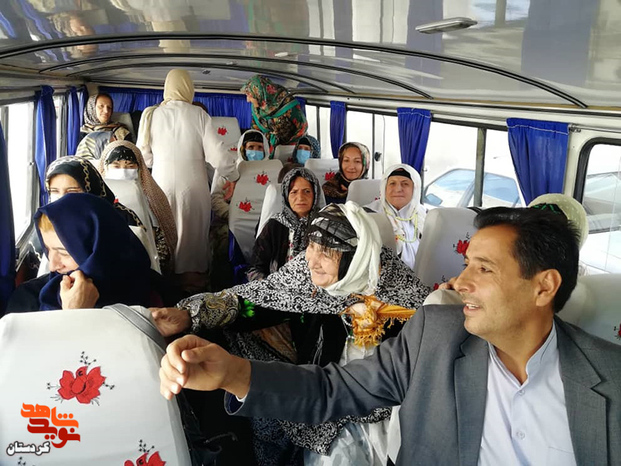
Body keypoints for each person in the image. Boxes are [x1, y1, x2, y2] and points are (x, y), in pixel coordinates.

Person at [160, 206, 621, 465]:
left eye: (483, 269)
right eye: (465, 265)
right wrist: (229, 368)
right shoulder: (437, 336)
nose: (458, 283)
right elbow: (329, 383)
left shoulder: (611, 382)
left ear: (544, 286)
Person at [152, 202, 431, 464]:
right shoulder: (307, 279)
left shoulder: (408, 301)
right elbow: (258, 301)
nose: (311, 260)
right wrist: (192, 314)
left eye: (326, 252)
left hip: (384, 408)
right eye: (311, 246)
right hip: (316, 393)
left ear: (357, 256)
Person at [136, 69, 238, 291]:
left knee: (164, 237)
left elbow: (145, 158)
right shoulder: (198, 115)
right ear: (189, 89)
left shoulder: (152, 114)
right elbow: (218, 157)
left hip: (160, 187)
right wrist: (234, 176)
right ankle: (192, 290)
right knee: (192, 242)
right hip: (194, 188)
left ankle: (166, 289)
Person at [5, 194, 153, 313]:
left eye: (64, 253)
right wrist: (73, 314)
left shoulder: (153, 296)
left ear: (100, 250)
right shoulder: (27, 300)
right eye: (47, 249)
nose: (52, 266)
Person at [44, 156, 158, 271]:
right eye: (54, 191)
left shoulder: (121, 221)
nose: (62, 198)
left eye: (72, 191)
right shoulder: (45, 223)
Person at [98, 140, 177, 275]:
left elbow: (161, 238)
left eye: (130, 166)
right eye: (116, 166)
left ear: (140, 169)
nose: (123, 171)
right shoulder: (96, 199)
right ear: (104, 167)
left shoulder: (153, 199)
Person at [210, 129, 270, 289]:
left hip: (263, 221)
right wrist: (234, 215)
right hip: (228, 219)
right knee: (223, 244)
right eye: (251, 147)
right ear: (243, 149)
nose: (255, 151)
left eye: (259, 148)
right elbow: (215, 198)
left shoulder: (271, 171)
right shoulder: (229, 170)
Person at [247, 167, 321, 281]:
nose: (300, 197)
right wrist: (269, 285)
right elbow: (255, 268)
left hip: (317, 285)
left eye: (307, 191)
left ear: (315, 194)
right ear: (286, 196)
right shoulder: (274, 225)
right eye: (294, 192)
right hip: (276, 285)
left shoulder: (324, 224)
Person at [366, 164, 426, 269]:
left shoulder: (426, 216)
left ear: (415, 189)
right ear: (384, 188)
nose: (398, 189)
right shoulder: (368, 215)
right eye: (392, 183)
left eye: (405, 184)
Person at [241, 75, 308, 154]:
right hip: (265, 149)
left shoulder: (288, 106)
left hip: (288, 150)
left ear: (260, 94)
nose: (248, 100)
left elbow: (302, 127)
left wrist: (286, 147)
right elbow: (255, 131)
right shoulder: (256, 109)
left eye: (250, 96)